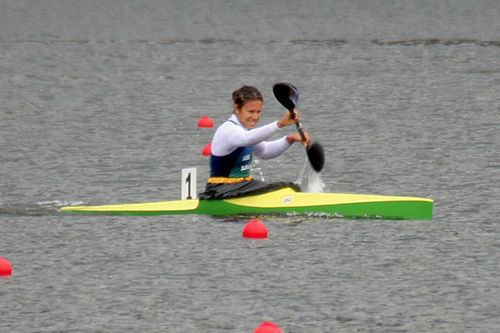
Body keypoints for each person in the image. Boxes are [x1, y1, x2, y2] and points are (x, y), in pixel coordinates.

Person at [199, 85, 310, 199]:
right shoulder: (228, 130)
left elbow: (265, 152)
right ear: (237, 108)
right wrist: (280, 124)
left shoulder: (247, 130)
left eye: (258, 112)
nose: (255, 117)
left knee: (289, 187)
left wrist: (290, 139)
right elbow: (247, 139)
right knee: (286, 187)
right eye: (251, 112)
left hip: (242, 186)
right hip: (221, 189)